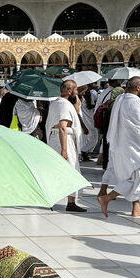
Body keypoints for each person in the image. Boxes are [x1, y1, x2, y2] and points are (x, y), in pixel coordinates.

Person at [98, 77, 140, 217]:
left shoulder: (120, 99)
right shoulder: (137, 103)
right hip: (135, 148)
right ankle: (107, 198)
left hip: (120, 144)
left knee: (135, 176)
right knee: (135, 178)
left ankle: (136, 208)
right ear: (138, 88)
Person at [45, 80, 86, 212]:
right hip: (63, 140)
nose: (77, 92)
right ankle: (71, 202)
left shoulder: (56, 103)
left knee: (54, 169)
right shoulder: (64, 105)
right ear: (69, 91)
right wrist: (64, 150)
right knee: (71, 169)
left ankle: (53, 200)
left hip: (55, 138)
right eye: (75, 90)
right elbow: (63, 127)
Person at [80, 83, 99, 161]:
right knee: (94, 137)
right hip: (90, 120)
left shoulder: (83, 101)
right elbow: (90, 106)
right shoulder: (88, 97)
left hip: (85, 120)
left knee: (88, 138)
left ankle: (85, 153)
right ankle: (84, 151)